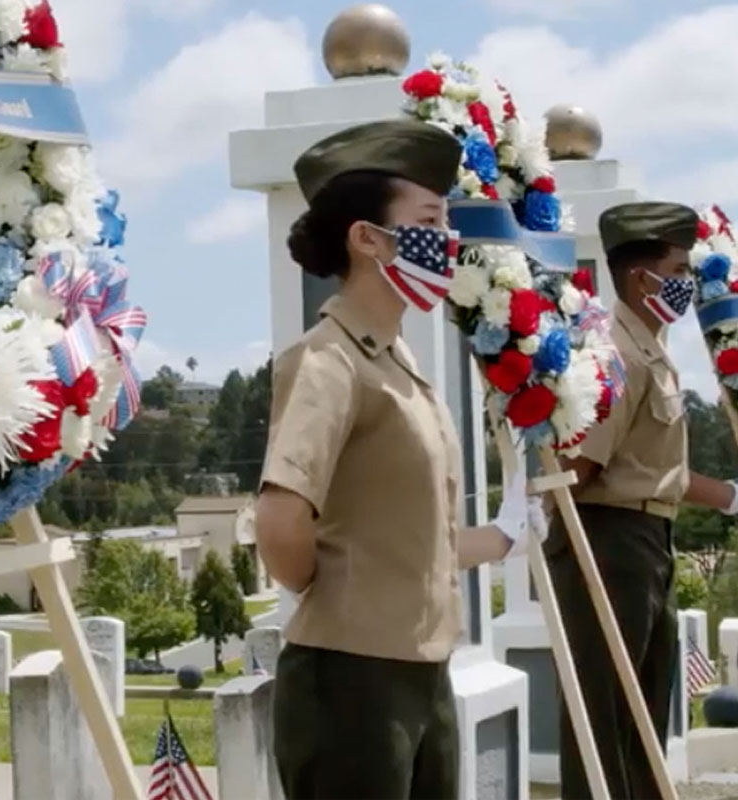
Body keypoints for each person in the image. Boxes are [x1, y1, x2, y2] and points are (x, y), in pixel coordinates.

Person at [255, 118, 547, 800]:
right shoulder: (327, 362)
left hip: (420, 671)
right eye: (431, 222)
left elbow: (411, 543)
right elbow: (280, 522)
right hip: (352, 679)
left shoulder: (399, 366)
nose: (448, 242)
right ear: (368, 239)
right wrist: (342, 600)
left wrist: (505, 537)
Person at [546, 202, 738, 800]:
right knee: (605, 719)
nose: (686, 283)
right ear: (641, 277)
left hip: (647, 541)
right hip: (608, 546)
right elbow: (578, 472)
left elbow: (661, 473)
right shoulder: (617, 356)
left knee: (644, 715)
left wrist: (730, 498)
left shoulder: (650, 351)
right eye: (678, 269)